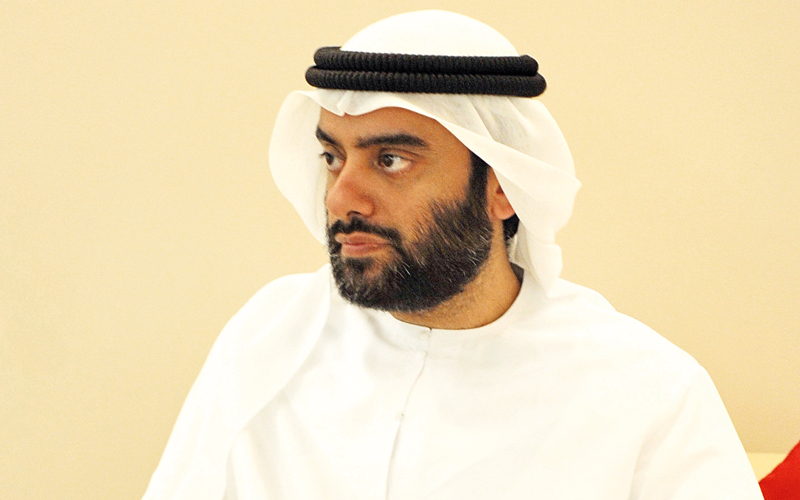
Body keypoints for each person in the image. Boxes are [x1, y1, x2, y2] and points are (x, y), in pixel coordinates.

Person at [143, 10, 763, 500]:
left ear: (502, 186)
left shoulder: (648, 390)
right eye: (333, 157)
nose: (341, 197)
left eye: (391, 160)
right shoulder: (268, 334)